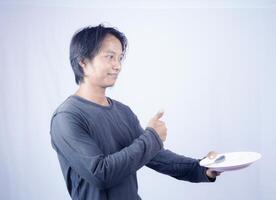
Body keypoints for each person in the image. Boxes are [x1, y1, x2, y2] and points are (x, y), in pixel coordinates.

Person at [50, 24, 220, 200]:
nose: (118, 66)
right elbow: (100, 173)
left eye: (120, 58)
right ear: (83, 62)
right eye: (110, 57)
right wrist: (152, 137)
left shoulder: (123, 112)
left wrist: (202, 168)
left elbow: (155, 157)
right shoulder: (67, 117)